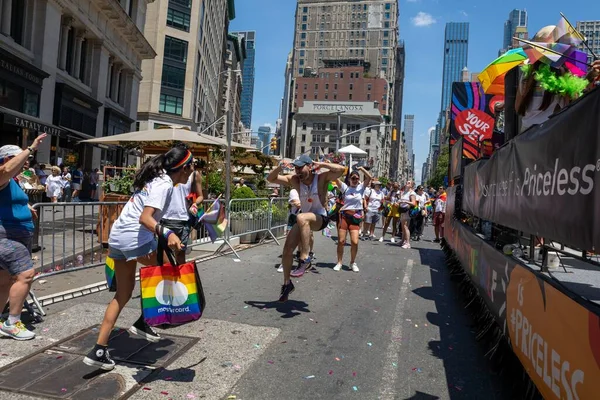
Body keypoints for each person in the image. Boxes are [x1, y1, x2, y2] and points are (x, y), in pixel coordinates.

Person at [83, 146, 194, 371]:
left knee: (123, 294)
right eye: (193, 166)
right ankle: (145, 321)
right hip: (135, 239)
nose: (194, 171)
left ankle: (99, 350)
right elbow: (145, 218)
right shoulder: (164, 185)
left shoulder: (158, 180)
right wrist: (168, 233)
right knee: (170, 271)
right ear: (184, 168)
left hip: (118, 237)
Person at [267, 155, 346, 302]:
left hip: (320, 218)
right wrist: (280, 167)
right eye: (296, 168)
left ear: (309, 166)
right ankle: (287, 284)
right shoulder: (295, 180)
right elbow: (271, 179)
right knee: (287, 250)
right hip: (304, 219)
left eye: (301, 168)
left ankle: (305, 258)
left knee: (302, 217)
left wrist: (320, 163)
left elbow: (342, 170)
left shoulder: (321, 178)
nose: (298, 171)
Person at [0, 133, 47, 340]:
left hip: (17, 234)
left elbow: (11, 199)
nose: (26, 163)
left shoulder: (12, 181)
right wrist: (31, 147)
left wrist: (26, 206)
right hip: (5, 235)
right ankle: (12, 322)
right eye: (20, 159)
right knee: (26, 274)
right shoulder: (3, 174)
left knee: (4, 280)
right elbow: (5, 171)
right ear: (7, 159)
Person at [160, 153, 204, 264]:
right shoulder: (164, 173)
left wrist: (194, 203)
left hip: (182, 220)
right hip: (164, 218)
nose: (193, 166)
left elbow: (200, 196)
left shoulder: (194, 174)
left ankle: (180, 280)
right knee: (163, 257)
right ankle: (167, 280)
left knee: (180, 254)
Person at [334, 167, 372, 272]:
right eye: (353, 178)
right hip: (345, 216)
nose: (355, 180)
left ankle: (352, 262)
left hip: (355, 217)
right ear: (350, 179)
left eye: (357, 178)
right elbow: (336, 179)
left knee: (354, 242)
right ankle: (339, 262)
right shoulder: (345, 188)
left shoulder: (361, 187)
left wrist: (361, 169)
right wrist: (339, 169)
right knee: (341, 241)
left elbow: (370, 177)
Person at [277, 188, 315, 273]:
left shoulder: (309, 190)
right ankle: (284, 263)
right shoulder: (294, 191)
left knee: (303, 242)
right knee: (289, 241)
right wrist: (309, 202)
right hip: (294, 217)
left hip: (306, 218)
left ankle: (302, 264)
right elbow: (297, 204)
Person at [398, 181, 417, 249]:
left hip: (407, 211)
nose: (406, 183)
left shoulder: (412, 193)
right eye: (406, 182)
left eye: (409, 183)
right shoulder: (404, 192)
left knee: (406, 226)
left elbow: (414, 203)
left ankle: (408, 243)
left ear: (411, 185)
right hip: (402, 210)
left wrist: (405, 201)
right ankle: (403, 241)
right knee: (403, 227)